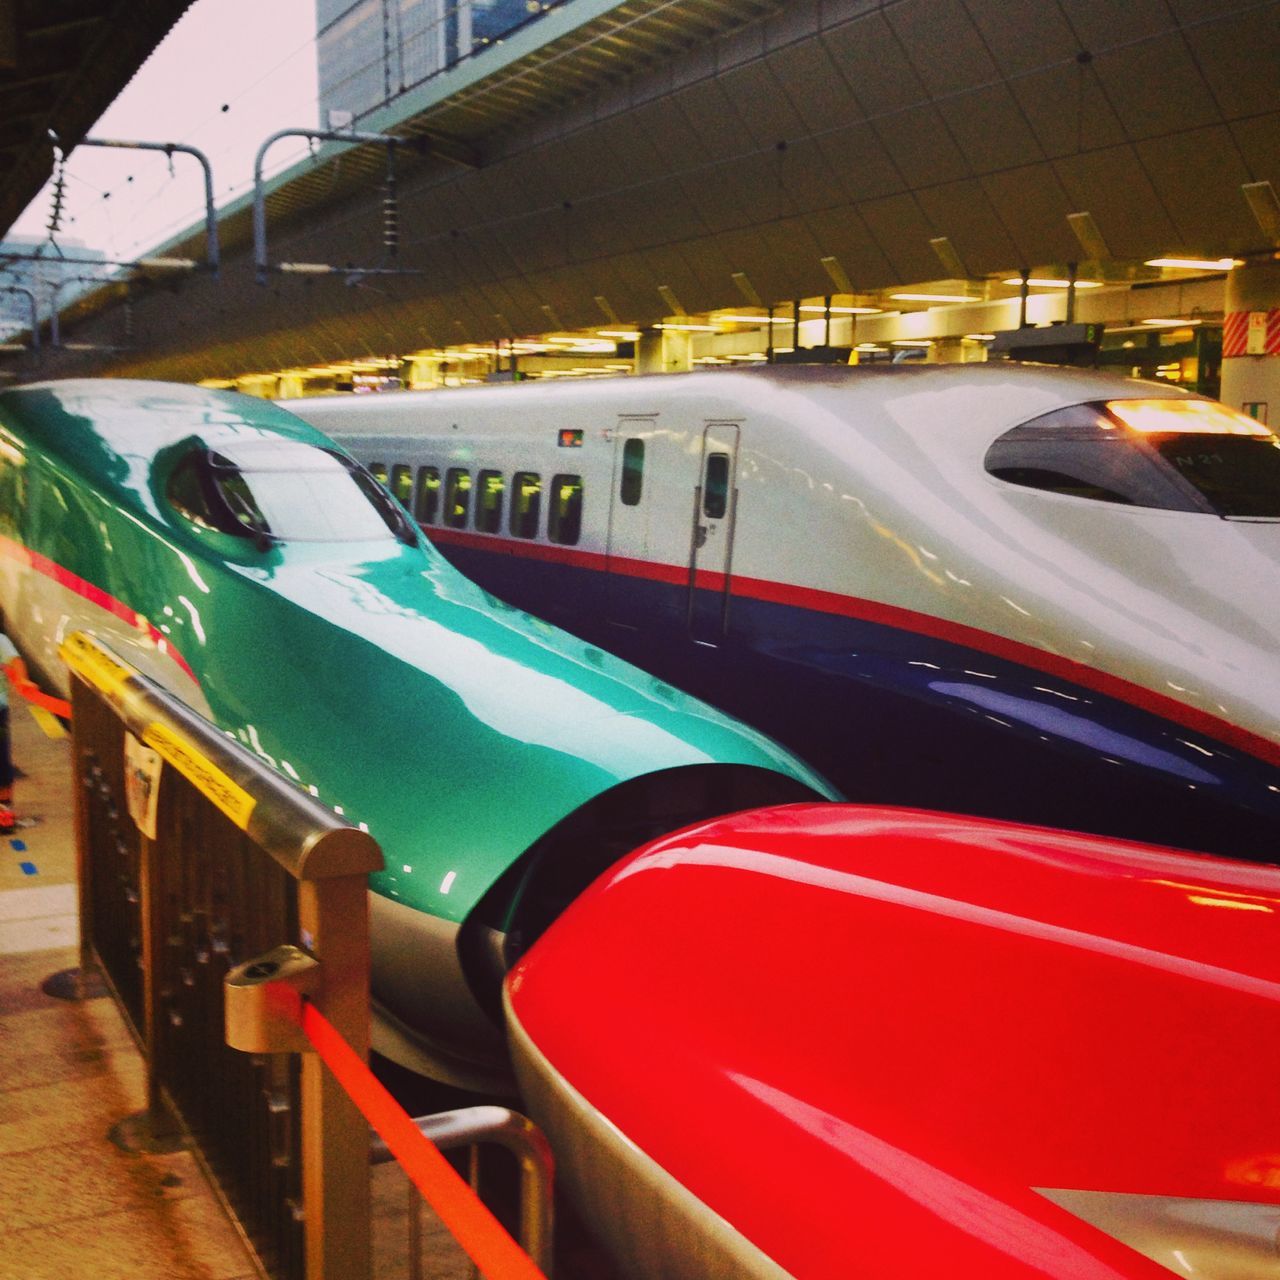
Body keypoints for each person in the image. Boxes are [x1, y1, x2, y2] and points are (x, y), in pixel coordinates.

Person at [0, 631, 18, 831]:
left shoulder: (1, 641)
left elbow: (15, 660)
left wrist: (22, 679)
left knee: (1, 760)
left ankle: (4, 809)